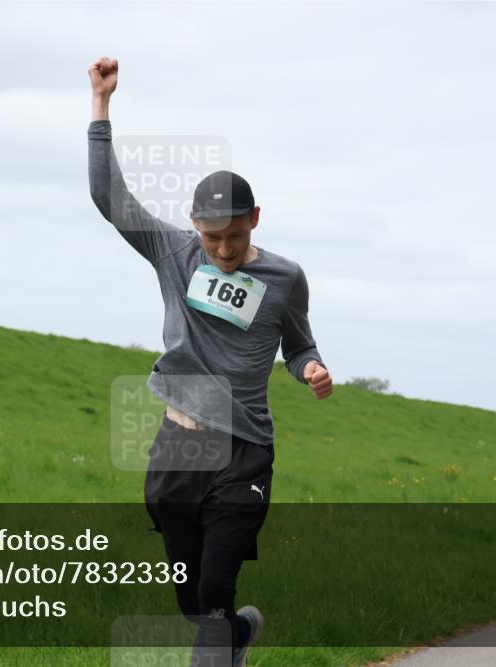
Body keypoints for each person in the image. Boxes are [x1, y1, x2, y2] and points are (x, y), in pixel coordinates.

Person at [87, 56, 333, 667]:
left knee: (216, 586)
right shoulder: (173, 251)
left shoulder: (285, 278)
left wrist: (310, 368)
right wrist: (101, 106)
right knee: (194, 599)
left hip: (245, 449)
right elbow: (109, 198)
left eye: (235, 236)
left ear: (255, 219)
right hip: (178, 447)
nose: (223, 249)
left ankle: (221, 642)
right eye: (212, 236)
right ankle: (236, 634)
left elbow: (299, 344)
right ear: (194, 224)